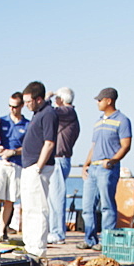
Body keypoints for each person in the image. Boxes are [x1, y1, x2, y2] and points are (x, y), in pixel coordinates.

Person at [78, 88, 132, 250]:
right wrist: (86, 164)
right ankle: (89, 239)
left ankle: (106, 241)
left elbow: (126, 145)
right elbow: (93, 146)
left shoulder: (122, 120)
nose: (97, 103)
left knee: (107, 205)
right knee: (87, 206)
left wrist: (112, 161)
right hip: (93, 169)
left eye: (99, 100)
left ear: (109, 101)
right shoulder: (98, 122)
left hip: (107, 169)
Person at [20, 81, 58, 260]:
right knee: (28, 208)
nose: (26, 105)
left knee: (38, 208)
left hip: (38, 167)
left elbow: (49, 142)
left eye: (29, 102)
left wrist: (39, 166)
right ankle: (29, 245)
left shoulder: (49, 114)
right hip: (29, 166)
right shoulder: (38, 112)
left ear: (39, 99)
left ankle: (38, 248)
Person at [0, 93, 29, 240]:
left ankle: (2, 230)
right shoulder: (0, 121)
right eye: (10, 106)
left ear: (21, 106)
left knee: (10, 199)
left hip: (16, 164)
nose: (12, 109)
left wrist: (13, 152)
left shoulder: (27, 124)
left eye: (15, 106)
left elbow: (29, 147)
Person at [46, 87, 80, 244]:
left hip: (59, 159)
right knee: (52, 198)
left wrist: (46, 98)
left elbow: (48, 113)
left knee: (56, 197)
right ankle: (54, 231)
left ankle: (58, 233)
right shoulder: (69, 114)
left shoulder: (67, 111)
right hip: (60, 159)